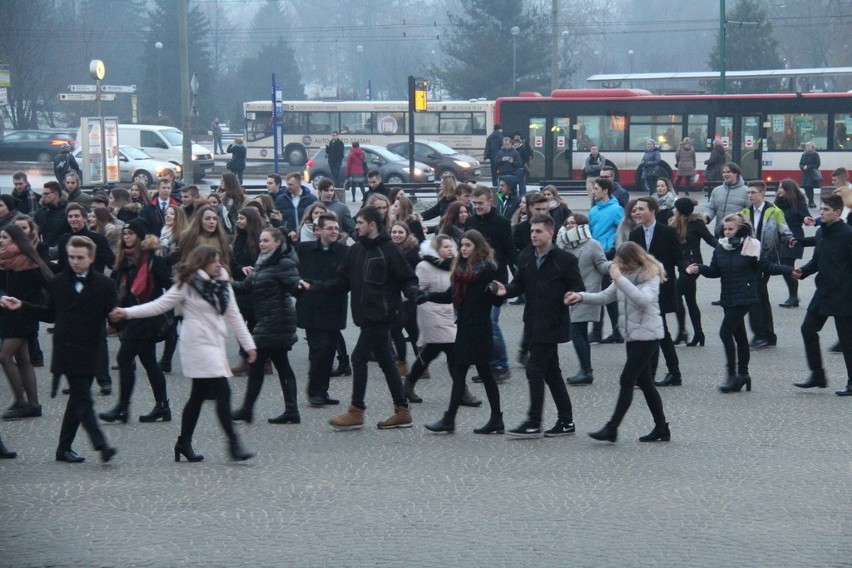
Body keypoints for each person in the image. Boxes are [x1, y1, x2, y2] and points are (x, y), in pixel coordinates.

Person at [110, 245, 257, 462]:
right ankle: (234, 443)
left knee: (197, 396)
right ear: (202, 263)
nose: (219, 264)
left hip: (214, 343)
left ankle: (183, 442)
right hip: (196, 345)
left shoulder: (223, 283)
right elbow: (159, 305)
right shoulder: (187, 284)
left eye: (219, 261)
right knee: (222, 391)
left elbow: (233, 314)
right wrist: (127, 312)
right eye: (214, 261)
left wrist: (249, 345)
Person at [299, 206, 420, 431]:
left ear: (372, 225)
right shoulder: (355, 251)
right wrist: (315, 286)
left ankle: (357, 410)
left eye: (360, 223)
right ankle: (402, 410)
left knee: (358, 358)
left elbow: (407, 278)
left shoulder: (389, 249)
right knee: (386, 361)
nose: (356, 227)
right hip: (364, 314)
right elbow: (341, 282)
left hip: (381, 315)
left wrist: (414, 294)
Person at [1, 236, 118, 464]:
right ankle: (101, 444)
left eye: (80, 258)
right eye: (71, 257)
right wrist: (22, 306)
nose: (75, 262)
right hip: (66, 349)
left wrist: (121, 320)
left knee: (77, 398)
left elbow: (113, 316)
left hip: (91, 348)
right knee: (83, 397)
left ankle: (63, 448)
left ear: (91, 258)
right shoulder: (58, 283)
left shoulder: (105, 284)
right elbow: (50, 314)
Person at [565, 242, 671, 444]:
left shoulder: (650, 275)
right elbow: (605, 296)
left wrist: (619, 278)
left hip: (648, 336)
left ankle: (612, 428)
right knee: (645, 382)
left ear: (633, 260)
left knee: (627, 380)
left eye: (622, 262)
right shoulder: (624, 277)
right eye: (618, 263)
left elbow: (642, 300)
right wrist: (580, 296)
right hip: (632, 336)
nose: (618, 266)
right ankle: (661, 427)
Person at [494, 215, 584, 438]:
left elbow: (577, 286)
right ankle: (566, 421)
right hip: (532, 322)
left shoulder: (564, 259)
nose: (533, 235)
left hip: (553, 323)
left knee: (534, 370)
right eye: (532, 231)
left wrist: (574, 296)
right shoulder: (525, 256)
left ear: (550, 233)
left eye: (538, 231)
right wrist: (506, 289)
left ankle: (534, 421)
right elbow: (518, 284)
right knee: (551, 372)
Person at [687, 213, 792, 393]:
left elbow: (765, 266)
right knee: (740, 337)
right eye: (725, 229)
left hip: (746, 295)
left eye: (731, 229)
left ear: (740, 229)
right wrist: (699, 267)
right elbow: (714, 271)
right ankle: (743, 375)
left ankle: (732, 375)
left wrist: (789, 270)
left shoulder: (750, 246)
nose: (727, 233)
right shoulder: (721, 247)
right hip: (728, 296)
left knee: (724, 332)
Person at [421, 230, 504, 434]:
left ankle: (451, 419)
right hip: (466, 327)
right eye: (463, 245)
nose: (464, 249)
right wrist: (426, 296)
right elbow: (450, 296)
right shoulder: (461, 270)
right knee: (480, 374)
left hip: (478, 329)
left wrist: (497, 293)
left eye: (468, 245)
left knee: (465, 374)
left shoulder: (485, 270)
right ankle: (494, 419)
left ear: (477, 246)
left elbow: (497, 299)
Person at [98, 219, 173, 424]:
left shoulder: (152, 261)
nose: (127, 237)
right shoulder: (124, 260)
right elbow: (112, 285)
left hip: (147, 319)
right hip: (130, 318)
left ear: (140, 236)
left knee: (124, 359)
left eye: (131, 233)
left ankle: (123, 408)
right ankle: (162, 406)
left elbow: (170, 284)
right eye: (125, 233)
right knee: (149, 363)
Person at [231, 227, 301, 424]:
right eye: (261, 240)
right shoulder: (264, 262)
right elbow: (246, 286)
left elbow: (294, 285)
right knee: (275, 363)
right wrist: (223, 283)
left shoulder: (283, 263)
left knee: (260, 363)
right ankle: (289, 411)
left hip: (277, 320)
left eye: (266, 240)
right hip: (269, 320)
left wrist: (301, 288)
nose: (261, 244)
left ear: (277, 243)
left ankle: (249, 409)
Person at [791, 195, 852, 395]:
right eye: (821, 209)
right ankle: (817, 375)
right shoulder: (820, 233)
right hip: (824, 291)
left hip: (845, 293)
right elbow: (817, 261)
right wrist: (803, 271)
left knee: (847, 340)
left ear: (837, 212)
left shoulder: (848, 234)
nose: (821, 213)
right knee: (808, 329)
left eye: (826, 209)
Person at [629, 197, 683, 386]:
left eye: (640, 209)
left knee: (660, 332)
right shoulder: (635, 235)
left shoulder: (667, 232)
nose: (636, 212)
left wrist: (690, 269)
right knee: (653, 332)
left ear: (652, 211)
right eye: (635, 209)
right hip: (643, 291)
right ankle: (654, 374)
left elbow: (678, 257)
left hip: (663, 288)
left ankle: (672, 372)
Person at [0, 225, 52, 420]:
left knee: (4, 356)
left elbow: (49, 284)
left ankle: (22, 402)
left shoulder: (30, 261)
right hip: (7, 314)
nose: (0, 240)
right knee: (22, 359)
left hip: (24, 314)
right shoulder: (3, 260)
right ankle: (33, 404)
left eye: (4, 237)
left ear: (15, 240)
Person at [466, 186, 516, 383]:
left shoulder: (502, 223)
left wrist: (519, 275)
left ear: (490, 202)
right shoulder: (470, 221)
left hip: (495, 279)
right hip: (474, 278)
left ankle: (501, 365)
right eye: (474, 203)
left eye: (480, 203)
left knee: (491, 322)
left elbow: (510, 251)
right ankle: (487, 365)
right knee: (481, 324)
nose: (477, 207)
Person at [296, 213, 348, 407]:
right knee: (318, 351)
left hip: (335, 306)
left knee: (328, 351)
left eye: (336, 228)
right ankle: (314, 391)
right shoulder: (303, 249)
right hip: (312, 307)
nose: (334, 231)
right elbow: (292, 271)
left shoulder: (344, 251)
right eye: (330, 228)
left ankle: (323, 391)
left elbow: (347, 279)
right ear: (318, 231)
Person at [741, 181, 796, 349]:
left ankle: (761, 334)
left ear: (762, 193)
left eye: (753, 192)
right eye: (748, 193)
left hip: (766, 258)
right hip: (749, 258)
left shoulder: (774, 211)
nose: (750, 196)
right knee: (760, 296)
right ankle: (768, 335)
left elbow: (784, 230)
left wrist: (790, 240)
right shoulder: (745, 212)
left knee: (756, 296)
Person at [557, 213, 610, 385]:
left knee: (577, 331)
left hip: (587, 292)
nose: (569, 226)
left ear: (582, 225)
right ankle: (586, 370)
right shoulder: (563, 244)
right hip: (567, 293)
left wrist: (614, 266)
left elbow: (602, 264)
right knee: (579, 332)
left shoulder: (592, 244)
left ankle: (586, 370)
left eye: (573, 223)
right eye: (567, 223)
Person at [403, 234, 456, 403]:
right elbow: (417, 290)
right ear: (436, 249)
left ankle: (408, 384)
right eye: (445, 246)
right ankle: (462, 391)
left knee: (431, 351)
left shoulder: (453, 266)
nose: (449, 249)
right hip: (430, 312)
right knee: (453, 351)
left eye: (450, 246)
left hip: (447, 312)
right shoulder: (424, 266)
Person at [670, 197, 717, 347]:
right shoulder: (673, 223)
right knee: (690, 301)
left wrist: (725, 248)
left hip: (694, 266)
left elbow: (710, 239)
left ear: (679, 210)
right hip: (682, 265)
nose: (673, 209)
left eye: (675, 208)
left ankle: (683, 331)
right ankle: (698, 334)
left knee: (676, 295)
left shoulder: (697, 223)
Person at [228, 207, 264, 376]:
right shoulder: (238, 239)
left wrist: (252, 269)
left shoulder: (259, 239)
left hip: (255, 287)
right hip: (241, 286)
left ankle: (255, 360)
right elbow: (234, 261)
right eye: (238, 218)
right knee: (240, 324)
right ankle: (249, 358)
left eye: (242, 218)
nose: (239, 221)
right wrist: (240, 268)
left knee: (253, 324)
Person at [389, 221, 422, 378]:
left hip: (408, 297)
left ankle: (405, 363)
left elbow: (417, 275)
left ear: (406, 234)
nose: (396, 235)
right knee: (405, 331)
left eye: (400, 232)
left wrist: (410, 293)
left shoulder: (413, 252)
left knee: (407, 330)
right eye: (394, 232)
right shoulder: (389, 249)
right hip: (394, 296)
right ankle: (416, 365)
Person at [774, 179, 812, 308]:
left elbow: (805, 216)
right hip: (780, 238)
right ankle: (793, 296)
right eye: (779, 187)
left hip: (794, 237)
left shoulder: (798, 202)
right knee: (784, 267)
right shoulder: (779, 203)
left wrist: (806, 219)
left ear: (788, 190)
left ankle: (793, 296)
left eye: (782, 188)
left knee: (787, 266)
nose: (779, 190)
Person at [704, 162, 749, 236]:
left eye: (728, 172)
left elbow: (750, 212)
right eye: (724, 172)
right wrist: (706, 217)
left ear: (736, 173)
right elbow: (710, 208)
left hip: (737, 234)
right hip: (720, 233)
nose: (725, 174)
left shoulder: (746, 191)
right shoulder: (717, 190)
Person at [276, 172, 317, 237]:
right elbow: (278, 218)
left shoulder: (311, 199)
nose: (288, 187)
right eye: (287, 184)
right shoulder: (280, 199)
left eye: (290, 185)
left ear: (299, 184)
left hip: (306, 234)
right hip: (288, 235)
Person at [34, 181, 70, 250]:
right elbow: (35, 233)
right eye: (43, 194)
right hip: (47, 251)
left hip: (65, 249)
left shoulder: (68, 211)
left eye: (46, 194)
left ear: (56, 194)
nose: (43, 196)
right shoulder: (40, 213)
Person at [798, 141, 821, 208]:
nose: (808, 147)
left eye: (809, 146)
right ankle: (811, 201)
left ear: (812, 147)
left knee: (810, 187)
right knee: (806, 187)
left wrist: (808, 166)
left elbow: (817, 164)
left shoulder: (815, 154)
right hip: (805, 174)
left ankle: (811, 202)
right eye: (807, 146)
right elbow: (801, 163)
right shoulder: (804, 154)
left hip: (812, 173)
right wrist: (802, 167)